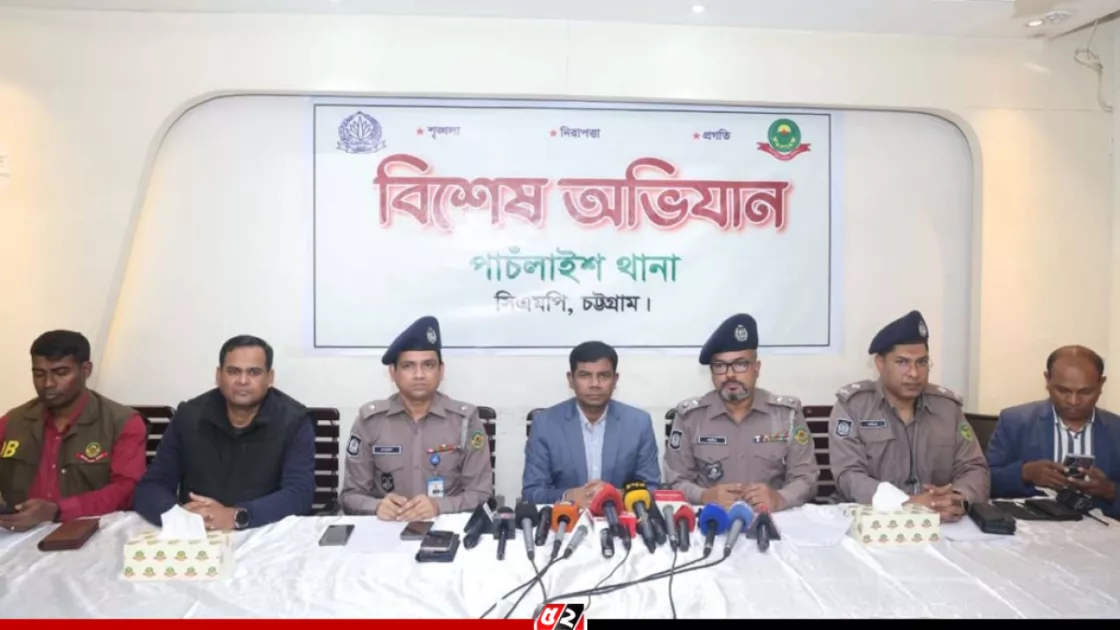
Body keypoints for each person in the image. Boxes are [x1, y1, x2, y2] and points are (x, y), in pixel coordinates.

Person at [133, 335, 315, 531]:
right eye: (233, 371)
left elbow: (299, 494)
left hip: (265, 531)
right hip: (196, 531)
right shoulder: (189, 416)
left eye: (254, 372)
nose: (243, 381)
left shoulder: (294, 421)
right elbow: (153, 485)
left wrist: (237, 516)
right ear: (218, 375)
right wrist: (177, 515)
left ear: (269, 378)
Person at [828, 310, 989, 522]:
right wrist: (907, 503)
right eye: (902, 362)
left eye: (922, 362)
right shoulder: (854, 406)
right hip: (872, 521)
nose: (914, 373)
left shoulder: (947, 408)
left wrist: (958, 499)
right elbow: (848, 475)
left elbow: (974, 468)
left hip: (941, 522)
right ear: (880, 364)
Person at [340, 316, 493, 521]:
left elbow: (481, 493)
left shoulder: (465, 421)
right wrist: (376, 506)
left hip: (445, 528)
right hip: (387, 527)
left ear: (441, 371)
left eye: (428, 365)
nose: (419, 374)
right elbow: (350, 496)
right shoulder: (370, 422)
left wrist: (439, 506)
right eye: (408, 366)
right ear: (392, 373)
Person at [664, 314, 819, 511]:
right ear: (711, 373)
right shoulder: (690, 418)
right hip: (713, 519)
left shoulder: (786, 415)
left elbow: (806, 477)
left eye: (740, 364)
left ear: (757, 368)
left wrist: (780, 498)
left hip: (772, 518)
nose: (730, 374)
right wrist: (703, 496)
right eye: (720, 365)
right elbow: (675, 480)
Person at [0, 330, 147, 532]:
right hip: (16, 533)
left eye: (60, 372)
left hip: (94, 533)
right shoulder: (13, 421)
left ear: (86, 370)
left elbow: (127, 490)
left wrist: (57, 510)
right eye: (39, 374)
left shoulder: (122, 423)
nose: (48, 383)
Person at [521, 341, 661, 507]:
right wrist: (568, 496)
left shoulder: (639, 423)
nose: (595, 384)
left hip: (620, 517)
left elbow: (652, 488)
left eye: (603, 376)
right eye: (585, 375)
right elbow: (532, 492)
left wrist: (617, 495)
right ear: (571, 380)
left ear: (615, 380)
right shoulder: (545, 424)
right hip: (564, 518)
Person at [987, 345, 1118, 516]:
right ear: (1047, 380)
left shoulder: (1116, 429)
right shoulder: (1014, 421)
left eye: (1085, 392)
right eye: (1063, 390)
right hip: (1031, 525)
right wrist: (1024, 473)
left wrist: (1109, 490)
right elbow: (985, 480)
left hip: (1101, 527)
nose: (1073, 401)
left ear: (1101, 384)